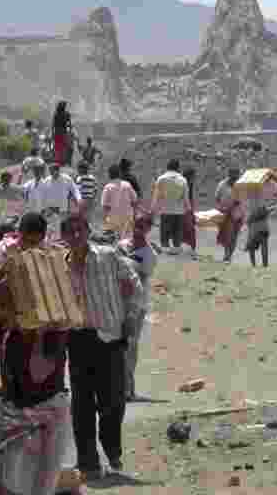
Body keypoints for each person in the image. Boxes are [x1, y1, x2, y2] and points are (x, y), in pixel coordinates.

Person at [0, 213, 79, 495]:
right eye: (2, 299)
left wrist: (40, 267)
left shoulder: (52, 324)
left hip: (42, 421)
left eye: (6, 298)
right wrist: (8, 267)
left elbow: (68, 296)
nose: (1, 302)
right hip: (13, 415)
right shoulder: (5, 327)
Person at [62, 213, 143, 480]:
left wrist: (131, 319)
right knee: (81, 404)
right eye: (69, 231)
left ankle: (112, 448)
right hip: (77, 339)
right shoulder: (60, 266)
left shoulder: (108, 256)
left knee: (114, 401)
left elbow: (134, 285)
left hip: (109, 337)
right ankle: (87, 461)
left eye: (79, 230)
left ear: (87, 230)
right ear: (63, 236)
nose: (75, 236)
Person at [117, 214, 157, 401]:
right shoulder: (121, 246)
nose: (139, 229)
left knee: (130, 346)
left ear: (149, 229)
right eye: (137, 225)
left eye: (143, 226)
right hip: (118, 303)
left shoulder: (149, 254)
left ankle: (128, 389)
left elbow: (141, 278)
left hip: (136, 305)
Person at [150, 159, 191, 254]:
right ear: (178, 168)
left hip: (165, 211)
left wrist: (152, 210)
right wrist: (188, 210)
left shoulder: (161, 179)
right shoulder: (183, 180)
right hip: (179, 212)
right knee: (177, 232)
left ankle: (165, 249)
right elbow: (186, 198)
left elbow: (156, 197)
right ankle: (176, 249)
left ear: (167, 167)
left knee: (165, 233)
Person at [34, 162, 80, 243]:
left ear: (58, 171)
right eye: (50, 171)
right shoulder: (47, 180)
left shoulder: (67, 179)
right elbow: (42, 195)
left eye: (53, 171)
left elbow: (74, 189)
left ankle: (61, 242)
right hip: (50, 208)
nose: (51, 173)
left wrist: (78, 199)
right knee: (50, 227)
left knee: (62, 226)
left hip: (62, 208)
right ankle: (48, 242)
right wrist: (41, 208)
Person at [242, 172, 277, 268]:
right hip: (256, 220)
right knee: (260, 243)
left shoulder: (253, 191)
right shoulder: (260, 190)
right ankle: (263, 264)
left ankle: (257, 265)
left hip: (257, 220)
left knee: (256, 243)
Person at [214, 168, 244, 263]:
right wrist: (223, 206)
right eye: (233, 176)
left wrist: (239, 202)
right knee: (227, 235)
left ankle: (229, 255)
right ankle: (226, 255)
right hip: (226, 214)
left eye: (237, 176)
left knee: (234, 236)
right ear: (229, 175)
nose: (235, 178)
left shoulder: (242, 185)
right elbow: (217, 198)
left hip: (238, 214)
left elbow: (246, 199)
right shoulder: (222, 185)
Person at [102, 164, 138, 239]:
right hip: (127, 217)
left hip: (113, 219)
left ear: (109, 175)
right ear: (119, 174)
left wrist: (105, 219)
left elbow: (105, 206)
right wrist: (134, 214)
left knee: (113, 241)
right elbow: (134, 200)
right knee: (127, 240)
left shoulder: (108, 187)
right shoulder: (127, 185)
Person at [74, 162, 100, 230]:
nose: (78, 171)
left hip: (82, 200)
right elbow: (95, 190)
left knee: (81, 217)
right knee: (88, 217)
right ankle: (88, 231)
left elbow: (77, 191)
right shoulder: (93, 178)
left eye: (78, 169)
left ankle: (83, 232)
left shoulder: (80, 178)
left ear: (81, 169)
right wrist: (93, 199)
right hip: (91, 200)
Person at [181, 167, 198, 258]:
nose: (195, 178)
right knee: (190, 229)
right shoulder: (185, 183)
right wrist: (190, 211)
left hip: (186, 209)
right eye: (194, 176)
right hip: (185, 209)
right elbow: (187, 199)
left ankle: (190, 249)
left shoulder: (188, 183)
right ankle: (191, 249)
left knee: (188, 229)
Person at [51, 102, 72, 166]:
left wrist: (52, 133)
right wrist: (69, 131)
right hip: (63, 132)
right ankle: (63, 161)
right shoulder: (67, 114)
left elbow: (53, 125)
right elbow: (69, 124)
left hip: (57, 132)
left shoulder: (56, 114)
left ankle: (58, 161)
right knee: (65, 147)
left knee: (58, 147)